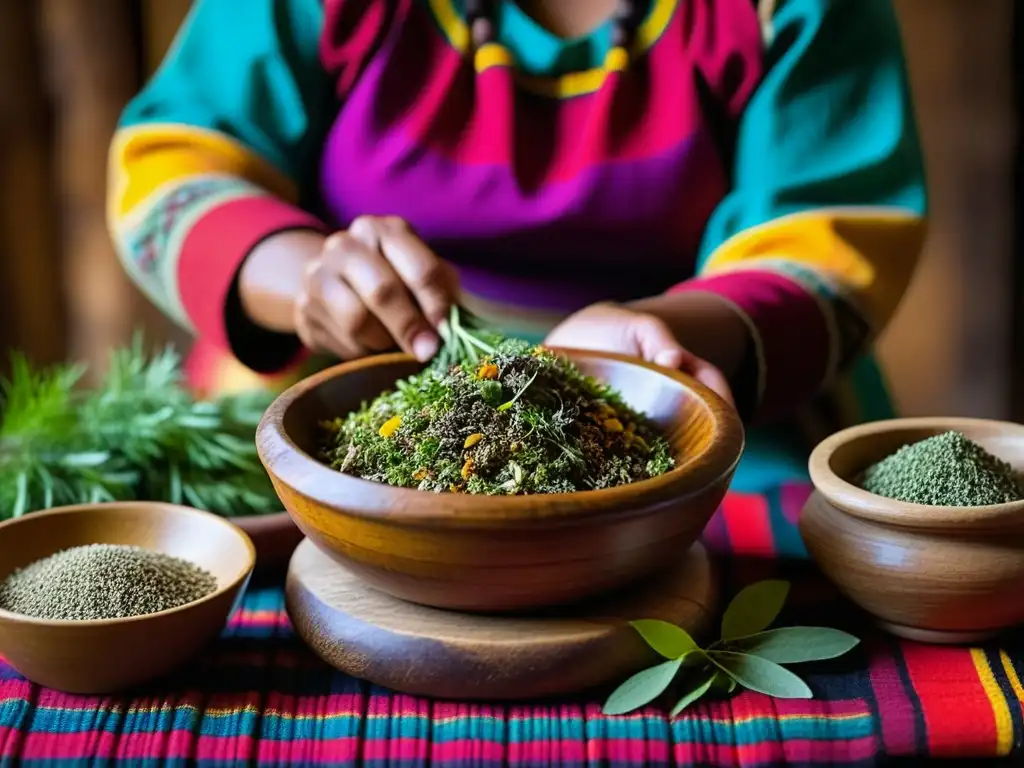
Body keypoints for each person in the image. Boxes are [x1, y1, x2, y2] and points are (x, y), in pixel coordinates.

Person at [107, 0, 926, 526]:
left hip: (695, 392)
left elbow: (825, 234)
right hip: (341, 378)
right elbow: (174, 166)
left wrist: (663, 337)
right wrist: (304, 274)